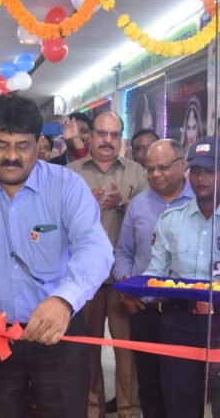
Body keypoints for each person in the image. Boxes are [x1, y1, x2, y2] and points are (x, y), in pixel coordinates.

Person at [0, 94, 113, 418]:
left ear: (39, 142)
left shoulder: (66, 186)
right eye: (1, 145)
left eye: (23, 146)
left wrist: (64, 300)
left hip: (59, 330)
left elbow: (95, 248)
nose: (12, 156)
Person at [143, 136, 220, 418]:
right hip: (179, 323)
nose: (201, 178)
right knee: (179, 406)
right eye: (195, 170)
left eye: (209, 170)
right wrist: (138, 290)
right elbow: (156, 272)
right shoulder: (171, 220)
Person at [67, 111, 147, 418]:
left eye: (114, 135)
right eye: (101, 133)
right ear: (90, 136)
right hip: (83, 279)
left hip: (123, 279)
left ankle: (129, 410)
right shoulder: (70, 174)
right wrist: (83, 206)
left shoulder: (138, 173)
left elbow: (148, 219)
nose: (108, 140)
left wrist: (123, 204)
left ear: (121, 139)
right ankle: (92, 409)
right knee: (86, 350)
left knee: (127, 351)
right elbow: (55, 220)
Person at [113, 139, 193, 418]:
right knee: (149, 386)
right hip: (144, 310)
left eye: (163, 167)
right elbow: (124, 252)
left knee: (183, 388)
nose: (156, 174)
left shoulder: (199, 202)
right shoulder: (138, 205)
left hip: (185, 314)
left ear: (183, 164)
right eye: (150, 169)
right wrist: (127, 287)